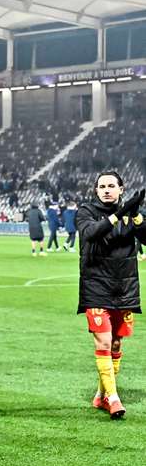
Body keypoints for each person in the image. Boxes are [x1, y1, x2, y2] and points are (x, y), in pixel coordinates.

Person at [75, 173, 145, 419]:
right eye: (102, 186)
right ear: (95, 190)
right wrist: (119, 213)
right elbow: (91, 233)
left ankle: (101, 392)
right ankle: (113, 399)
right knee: (103, 342)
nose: (106, 190)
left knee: (115, 344)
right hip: (96, 288)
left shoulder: (131, 213)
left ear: (121, 188)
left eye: (111, 186)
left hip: (124, 289)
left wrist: (135, 214)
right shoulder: (86, 211)